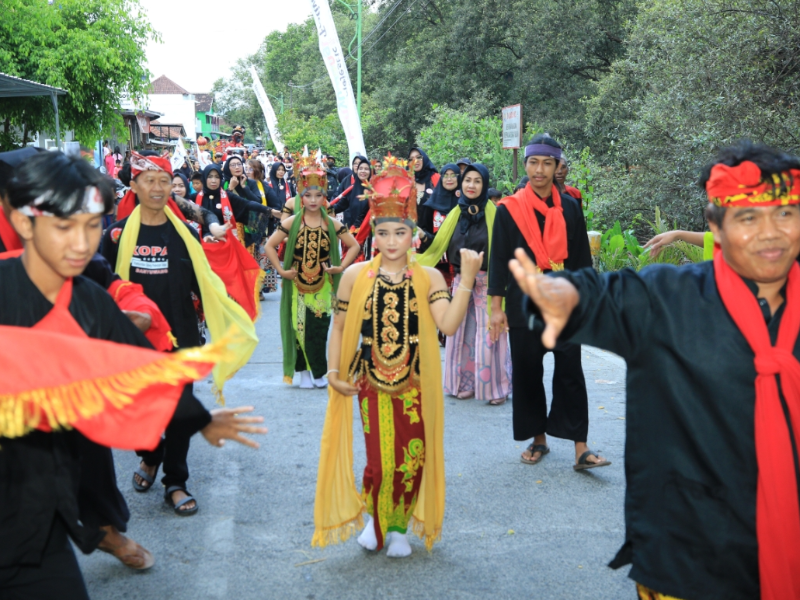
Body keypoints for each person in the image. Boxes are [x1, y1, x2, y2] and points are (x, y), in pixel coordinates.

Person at [509, 140, 800, 600]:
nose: (771, 234)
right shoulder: (666, 297)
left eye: (785, 214)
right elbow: (599, 295)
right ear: (715, 226)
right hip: (690, 549)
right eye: (748, 218)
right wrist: (561, 298)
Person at [0, 150, 266, 599]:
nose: (81, 241)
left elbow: (144, 357)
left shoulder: (89, 291)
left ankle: (112, 522)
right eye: (63, 224)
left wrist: (200, 419)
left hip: (37, 515)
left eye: (90, 225)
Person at [313, 155, 484, 558]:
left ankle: (398, 527)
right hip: (369, 378)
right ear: (373, 233)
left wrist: (467, 280)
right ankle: (376, 520)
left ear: (414, 235)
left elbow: (448, 327)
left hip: (415, 381)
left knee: (412, 458)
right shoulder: (354, 276)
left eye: (400, 233)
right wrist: (334, 370)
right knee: (378, 461)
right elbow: (339, 328)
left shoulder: (430, 277)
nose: (392, 242)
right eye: (384, 233)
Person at [101, 151, 261, 516]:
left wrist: (226, 299)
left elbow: (202, 283)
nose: (158, 188)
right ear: (134, 185)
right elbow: (101, 285)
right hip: (133, 342)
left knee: (178, 413)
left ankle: (175, 482)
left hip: (180, 338)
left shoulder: (186, 234)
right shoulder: (116, 235)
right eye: (149, 181)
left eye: (164, 181)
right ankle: (150, 453)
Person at [488, 134, 607, 469]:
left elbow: (581, 259)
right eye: (533, 162)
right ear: (526, 165)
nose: (539, 170)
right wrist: (496, 308)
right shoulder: (509, 210)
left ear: (557, 167)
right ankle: (538, 439)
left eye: (547, 163)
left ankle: (581, 447)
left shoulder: (570, 207)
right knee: (528, 372)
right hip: (523, 304)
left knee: (571, 371)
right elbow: (499, 260)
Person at [263, 156, 360, 389]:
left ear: (325, 196)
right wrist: (281, 270)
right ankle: (304, 373)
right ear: (301, 196)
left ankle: (318, 372)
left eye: (318, 195)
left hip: (323, 284)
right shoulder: (292, 222)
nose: (314, 200)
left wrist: (341, 267)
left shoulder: (331, 223)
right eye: (308, 195)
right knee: (299, 329)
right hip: (296, 282)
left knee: (319, 328)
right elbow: (269, 246)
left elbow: (354, 246)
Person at [417, 164, 511, 405]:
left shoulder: (496, 214)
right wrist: (420, 236)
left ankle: (495, 388)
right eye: (468, 180)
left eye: (477, 181)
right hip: (461, 280)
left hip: (487, 281)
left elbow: (504, 252)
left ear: (484, 185)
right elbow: (438, 245)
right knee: (461, 332)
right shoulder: (455, 214)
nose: (471, 185)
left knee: (489, 333)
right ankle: (463, 383)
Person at [247, 158, 281, 294]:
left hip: (261, 230)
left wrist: (267, 214)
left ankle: (259, 289)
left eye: (250, 169)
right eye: (246, 168)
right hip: (243, 230)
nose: (247, 171)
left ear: (257, 171)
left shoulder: (264, 187)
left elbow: (277, 206)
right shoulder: (239, 185)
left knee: (261, 260)